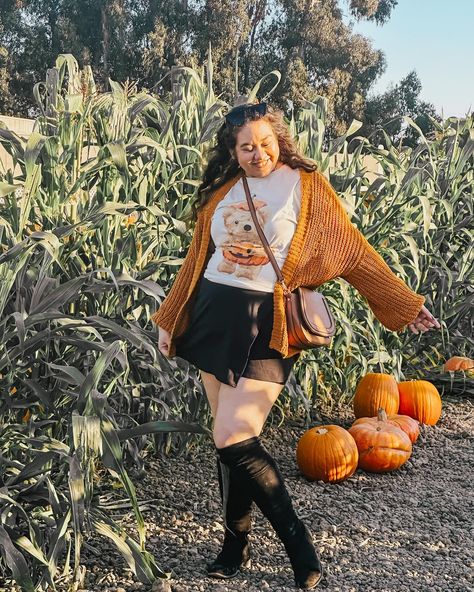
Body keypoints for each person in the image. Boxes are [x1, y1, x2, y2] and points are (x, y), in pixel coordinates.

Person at [151, 100, 440, 589]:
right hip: (211, 316)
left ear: (278, 140)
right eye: (246, 147)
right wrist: (169, 318)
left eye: (264, 143)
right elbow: (197, 261)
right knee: (229, 445)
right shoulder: (223, 189)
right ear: (233, 150)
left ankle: (300, 550)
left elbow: (352, 248)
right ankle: (235, 544)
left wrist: (403, 304)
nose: (257, 153)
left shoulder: (305, 186)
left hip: (269, 322)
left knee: (233, 436)